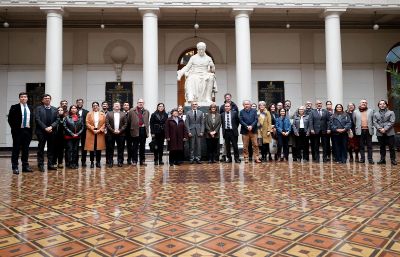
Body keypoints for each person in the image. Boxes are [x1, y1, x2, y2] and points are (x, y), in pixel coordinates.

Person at [8, 92, 34, 174]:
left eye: (25, 97)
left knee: (26, 150)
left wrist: (31, 131)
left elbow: (32, 120)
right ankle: (15, 167)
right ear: (19, 98)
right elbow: (10, 120)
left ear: (27, 98)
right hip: (18, 132)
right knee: (16, 149)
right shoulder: (14, 107)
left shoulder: (30, 107)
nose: (23, 98)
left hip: (27, 131)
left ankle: (25, 166)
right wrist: (15, 130)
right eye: (22, 97)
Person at [35, 94, 58, 172]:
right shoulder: (38, 108)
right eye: (45, 98)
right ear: (42, 100)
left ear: (50, 100)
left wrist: (51, 127)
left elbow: (57, 120)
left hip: (52, 131)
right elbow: (37, 120)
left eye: (48, 98)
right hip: (41, 132)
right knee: (40, 148)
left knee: (51, 149)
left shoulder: (55, 109)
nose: (47, 99)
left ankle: (50, 164)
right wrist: (45, 128)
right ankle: (40, 165)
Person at [373, 100, 397, 165]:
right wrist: (380, 129)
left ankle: (393, 160)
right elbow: (374, 122)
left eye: (384, 104)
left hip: (390, 132)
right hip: (380, 133)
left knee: (391, 147)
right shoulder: (375, 114)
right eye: (380, 104)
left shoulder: (391, 112)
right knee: (381, 147)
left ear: (386, 105)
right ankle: (382, 159)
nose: (382, 105)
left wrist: (385, 129)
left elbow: (392, 121)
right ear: (378, 106)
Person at [128, 98, 150, 166]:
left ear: (143, 103)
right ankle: (134, 161)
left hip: (143, 130)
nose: (140, 103)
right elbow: (129, 120)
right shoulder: (132, 110)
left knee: (142, 146)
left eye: (142, 102)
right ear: (137, 103)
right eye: (139, 102)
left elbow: (147, 121)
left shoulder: (146, 111)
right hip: (135, 130)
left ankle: (142, 161)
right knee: (135, 146)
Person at [353, 99, 375, 164]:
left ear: (367, 104)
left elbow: (373, 120)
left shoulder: (371, 111)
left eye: (365, 102)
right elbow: (354, 121)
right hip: (360, 131)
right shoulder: (355, 112)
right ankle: (362, 159)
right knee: (361, 146)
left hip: (368, 130)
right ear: (360, 103)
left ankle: (370, 159)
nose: (364, 103)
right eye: (362, 102)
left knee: (369, 146)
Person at [106, 102, 127, 167]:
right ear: (113, 107)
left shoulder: (123, 114)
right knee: (110, 148)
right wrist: (113, 130)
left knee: (120, 148)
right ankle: (110, 162)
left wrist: (120, 131)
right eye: (115, 105)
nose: (117, 106)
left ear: (120, 107)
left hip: (121, 134)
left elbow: (125, 124)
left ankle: (120, 161)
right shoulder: (109, 114)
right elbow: (107, 123)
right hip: (111, 134)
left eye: (118, 105)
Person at [85, 102, 106, 168]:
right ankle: (92, 162)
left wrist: (99, 130)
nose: (95, 107)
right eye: (94, 105)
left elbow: (105, 123)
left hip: (100, 132)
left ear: (99, 106)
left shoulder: (102, 114)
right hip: (91, 132)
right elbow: (87, 122)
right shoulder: (89, 114)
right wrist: (93, 129)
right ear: (92, 107)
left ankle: (98, 162)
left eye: (96, 105)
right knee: (92, 148)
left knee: (98, 148)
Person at [219, 93, 239, 162]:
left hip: (233, 131)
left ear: (230, 107)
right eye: (226, 106)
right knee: (227, 146)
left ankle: (236, 158)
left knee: (235, 146)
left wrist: (234, 127)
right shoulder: (222, 114)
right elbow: (221, 122)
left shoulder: (235, 113)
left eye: (228, 106)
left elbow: (237, 121)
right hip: (226, 132)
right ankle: (229, 158)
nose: (227, 107)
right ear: (224, 107)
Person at [76, 99, 89, 167]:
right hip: (75, 132)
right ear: (76, 103)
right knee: (76, 147)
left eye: (81, 102)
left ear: (83, 103)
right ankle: (75, 161)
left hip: (84, 132)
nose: (80, 103)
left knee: (84, 147)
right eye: (78, 102)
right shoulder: (73, 111)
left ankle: (83, 161)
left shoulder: (86, 112)